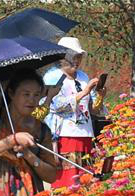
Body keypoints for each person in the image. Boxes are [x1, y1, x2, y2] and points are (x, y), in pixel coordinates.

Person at [45, 49, 105, 188]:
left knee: (86, 176)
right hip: (64, 135)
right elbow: (57, 106)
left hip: (85, 133)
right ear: (61, 58)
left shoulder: (83, 77)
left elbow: (93, 109)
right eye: (72, 57)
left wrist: (100, 96)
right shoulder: (53, 77)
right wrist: (84, 92)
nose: (76, 61)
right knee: (68, 179)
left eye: (79, 57)